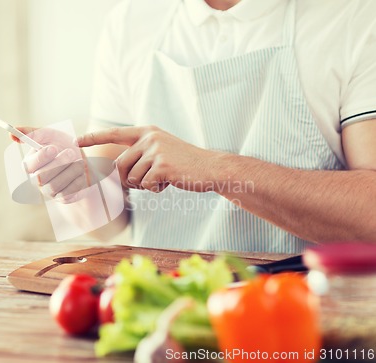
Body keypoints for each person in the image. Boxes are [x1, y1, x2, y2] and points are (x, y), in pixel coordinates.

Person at [20, 0, 376, 253]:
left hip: (303, 316)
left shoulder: (355, 17)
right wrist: (73, 184)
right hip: (165, 313)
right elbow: (109, 222)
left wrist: (215, 168)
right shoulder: (130, 21)